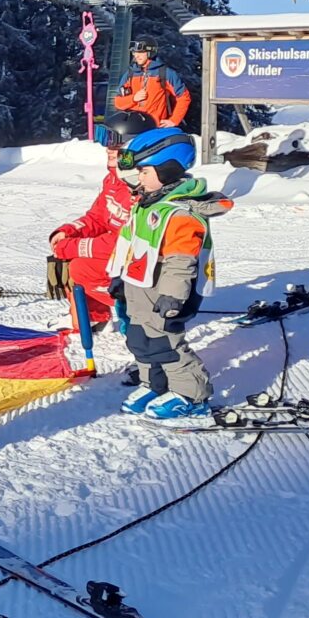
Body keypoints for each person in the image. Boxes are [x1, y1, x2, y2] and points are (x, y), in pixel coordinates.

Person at [110, 128, 230, 422]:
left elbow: (180, 261)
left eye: (145, 171)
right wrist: (118, 276)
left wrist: (173, 296)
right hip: (139, 286)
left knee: (166, 343)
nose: (139, 177)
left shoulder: (181, 215)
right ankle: (155, 384)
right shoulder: (147, 203)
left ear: (167, 169)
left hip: (165, 292)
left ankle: (192, 395)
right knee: (139, 339)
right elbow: (130, 243)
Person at [48, 111, 153, 334]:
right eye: (106, 141)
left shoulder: (142, 186)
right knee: (67, 261)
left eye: (116, 143)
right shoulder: (114, 179)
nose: (109, 149)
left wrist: (76, 247)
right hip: (117, 256)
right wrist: (70, 232)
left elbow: (127, 240)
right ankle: (94, 318)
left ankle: (140, 316)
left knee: (79, 267)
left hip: (140, 261)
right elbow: (97, 217)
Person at [111, 41, 192, 129]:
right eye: (134, 52)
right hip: (133, 128)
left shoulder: (165, 73)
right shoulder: (129, 74)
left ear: (150, 53)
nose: (136, 56)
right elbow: (118, 103)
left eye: (141, 52)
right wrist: (133, 99)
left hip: (156, 128)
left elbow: (184, 97)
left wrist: (174, 120)